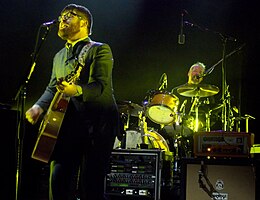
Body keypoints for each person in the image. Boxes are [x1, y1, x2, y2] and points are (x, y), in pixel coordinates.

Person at [25, 4, 120, 200]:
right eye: (61, 16)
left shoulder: (99, 50)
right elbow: (52, 88)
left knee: (91, 186)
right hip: (66, 127)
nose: (63, 19)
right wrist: (38, 107)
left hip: (97, 126)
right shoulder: (59, 56)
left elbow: (100, 87)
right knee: (58, 181)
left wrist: (75, 90)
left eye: (70, 16)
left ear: (84, 23)